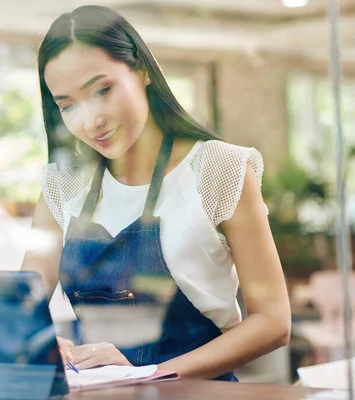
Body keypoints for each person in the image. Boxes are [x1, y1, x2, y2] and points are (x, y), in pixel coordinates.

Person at [21, 5, 291, 382]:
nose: (91, 119)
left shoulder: (218, 168)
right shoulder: (64, 183)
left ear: (143, 70)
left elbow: (273, 322)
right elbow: (20, 305)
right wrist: (47, 342)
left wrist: (149, 374)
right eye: (68, 105)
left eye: (102, 90)